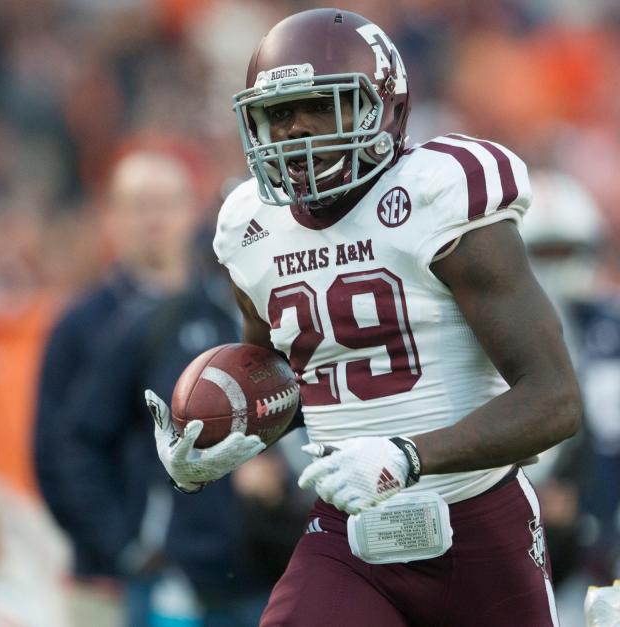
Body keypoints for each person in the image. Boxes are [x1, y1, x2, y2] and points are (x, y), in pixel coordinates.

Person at [144, 9, 581, 626]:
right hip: (349, 534)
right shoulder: (249, 228)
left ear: (382, 106)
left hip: (480, 522)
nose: (295, 129)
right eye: (278, 114)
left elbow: (554, 399)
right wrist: (224, 439)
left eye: (319, 105)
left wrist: (407, 455)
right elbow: (288, 385)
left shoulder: (439, 194)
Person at [56, 232, 310, 627]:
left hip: (281, 568)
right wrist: (122, 543)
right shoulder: (162, 322)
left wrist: (282, 483)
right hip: (176, 577)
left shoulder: (313, 321)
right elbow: (80, 439)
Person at [34, 145, 204, 625]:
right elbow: (53, 454)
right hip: (108, 579)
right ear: (111, 217)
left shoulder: (224, 312)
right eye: (138, 205)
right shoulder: (79, 326)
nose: (154, 219)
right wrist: (118, 544)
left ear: (191, 211)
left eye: (166, 203)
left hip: (215, 578)